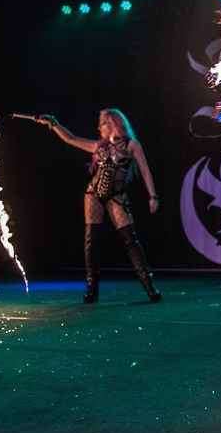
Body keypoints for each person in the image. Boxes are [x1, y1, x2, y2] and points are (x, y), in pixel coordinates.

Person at [34, 109, 162, 303]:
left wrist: (153, 196)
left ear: (113, 123)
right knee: (91, 241)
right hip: (93, 195)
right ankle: (92, 289)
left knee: (130, 240)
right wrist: (53, 123)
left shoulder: (132, 145)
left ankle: (150, 287)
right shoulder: (98, 146)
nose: (98, 127)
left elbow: (145, 170)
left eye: (102, 123)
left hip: (116, 196)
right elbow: (70, 139)